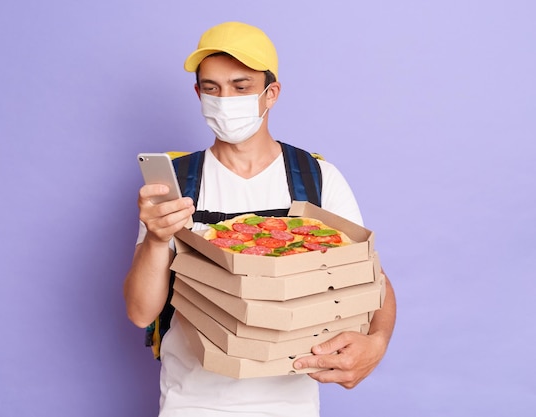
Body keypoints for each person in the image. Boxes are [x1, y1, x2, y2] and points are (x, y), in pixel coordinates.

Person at [124, 21, 397, 417]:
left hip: (292, 401)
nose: (224, 99)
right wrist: (153, 240)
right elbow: (140, 313)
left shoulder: (317, 178)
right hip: (192, 401)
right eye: (212, 88)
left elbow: (374, 281)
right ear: (198, 94)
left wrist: (378, 342)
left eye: (241, 86)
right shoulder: (178, 182)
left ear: (271, 94)